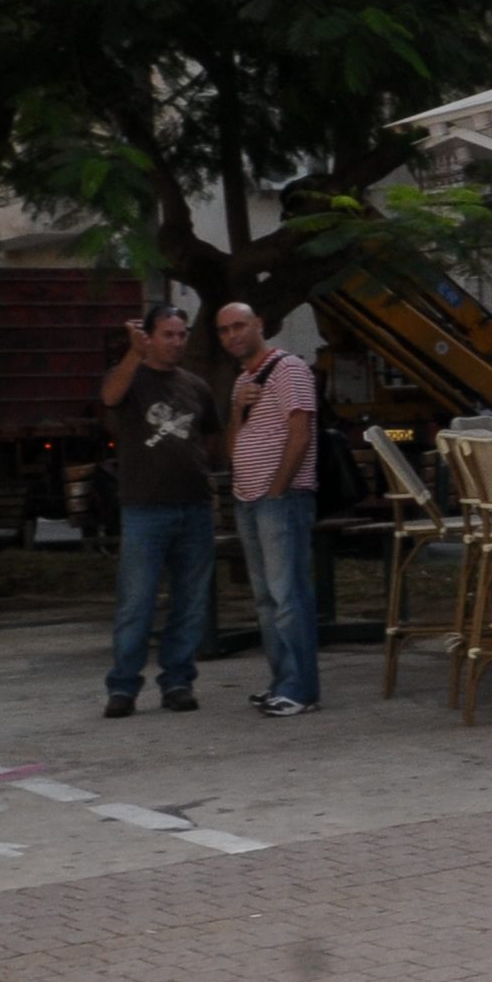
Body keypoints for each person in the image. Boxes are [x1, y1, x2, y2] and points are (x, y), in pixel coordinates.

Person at [99, 306, 218, 720]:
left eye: (182, 334)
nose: (177, 342)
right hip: (144, 508)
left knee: (190, 600)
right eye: (168, 334)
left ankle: (178, 680)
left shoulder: (196, 386)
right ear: (149, 337)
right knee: (137, 601)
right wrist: (133, 354)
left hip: (194, 506)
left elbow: (210, 438)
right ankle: (123, 686)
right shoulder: (132, 378)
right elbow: (109, 396)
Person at [213, 301, 320, 718]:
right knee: (265, 598)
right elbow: (232, 447)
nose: (232, 336)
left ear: (259, 324)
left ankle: (300, 689)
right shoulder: (244, 380)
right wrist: (237, 408)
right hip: (248, 499)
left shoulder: (289, 368)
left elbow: (300, 432)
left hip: (279, 500)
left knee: (287, 594)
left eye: (239, 326)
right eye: (224, 330)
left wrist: (277, 490)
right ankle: (281, 682)